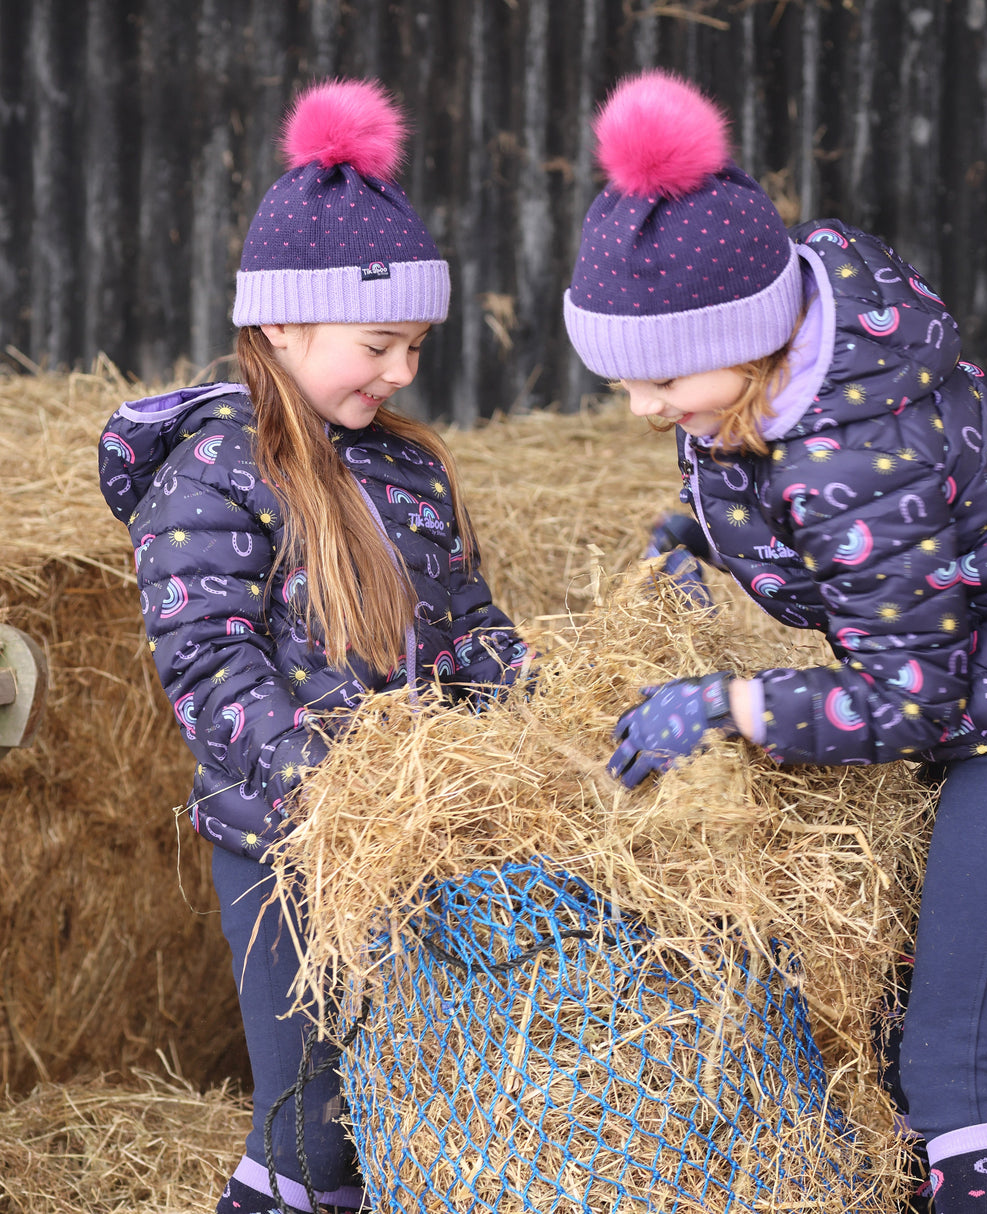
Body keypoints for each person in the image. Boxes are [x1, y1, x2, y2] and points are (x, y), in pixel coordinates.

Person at [562, 70, 987, 1214]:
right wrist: (691, 530)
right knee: (885, 1024)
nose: (642, 408)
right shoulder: (779, 354)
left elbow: (903, 702)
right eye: (622, 377)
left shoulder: (849, 452)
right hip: (985, 685)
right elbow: (773, 493)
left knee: (949, 1059)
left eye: (663, 376)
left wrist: (727, 704)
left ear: (747, 335)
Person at [99, 79, 529, 1214]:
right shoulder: (212, 468)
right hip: (286, 842)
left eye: (416, 346)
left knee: (390, 1104)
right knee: (313, 1120)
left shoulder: (407, 463)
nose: (399, 374)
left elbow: (467, 620)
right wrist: (327, 787)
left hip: (414, 839)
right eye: (380, 343)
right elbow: (206, 659)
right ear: (282, 322)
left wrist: (537, 706)